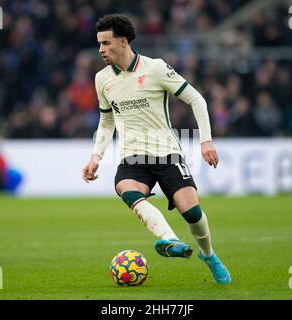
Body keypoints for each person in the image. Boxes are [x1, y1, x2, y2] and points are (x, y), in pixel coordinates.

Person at [82, 14, 231, 284]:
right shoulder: (102, 79)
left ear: (123, 41)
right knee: (127, 189)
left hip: (167, 153)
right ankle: (169, 240)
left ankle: (208, 255)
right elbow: (106, 120)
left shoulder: (155, 68)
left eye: (106, 43)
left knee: (193, 214)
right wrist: (96, 157)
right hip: (132, 156)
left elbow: (196, 99)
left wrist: (205, 140)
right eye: (99, 44)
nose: (101, 49)